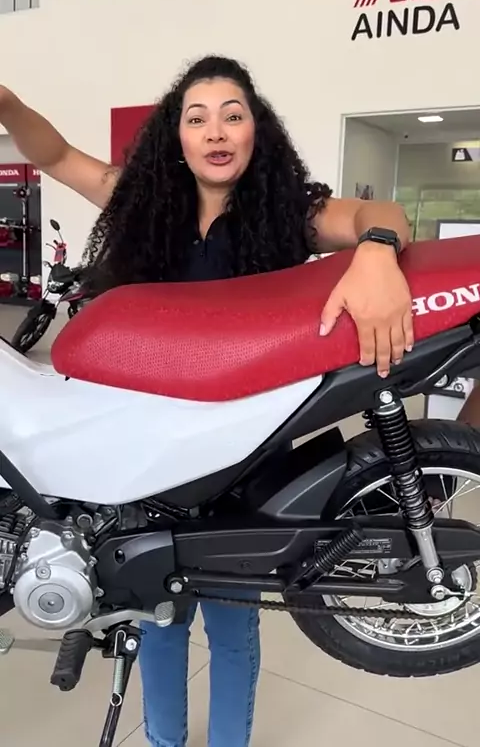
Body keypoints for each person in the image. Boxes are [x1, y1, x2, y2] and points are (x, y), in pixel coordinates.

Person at [0, 55, 414, 747]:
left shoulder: (290, 213)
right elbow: (57, 155)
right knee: (156, 617)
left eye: (232, 115)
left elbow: (382, 213)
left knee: (232, 623)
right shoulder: (141, 202)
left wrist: (375, 249)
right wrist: (8, 105)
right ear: (179, 136)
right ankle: (163, 740)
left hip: (245, 457)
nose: (215, 131)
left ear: (257, 131)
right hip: (145, 452)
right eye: (197, 119)